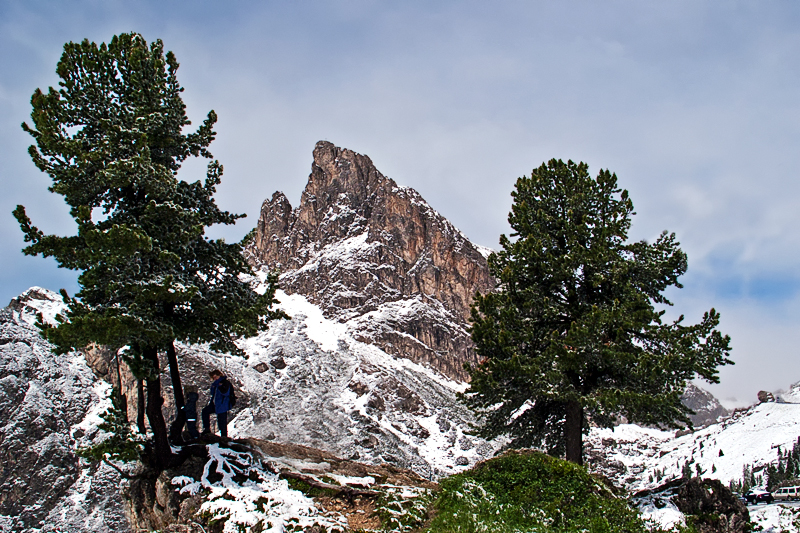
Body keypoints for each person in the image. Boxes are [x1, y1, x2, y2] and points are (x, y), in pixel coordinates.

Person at [201, 369, 233, 438]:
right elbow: (213, 393)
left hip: (222, 405)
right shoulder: (215, 384)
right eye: (213, 377)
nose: (214, 378)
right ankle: (207, 429)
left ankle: (224, 437)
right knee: (205, 411)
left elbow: (225, 393)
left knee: (222, 422)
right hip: (216, 404)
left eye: (215, 376)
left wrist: (219, 386)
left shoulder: (225, 383)